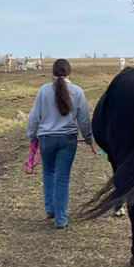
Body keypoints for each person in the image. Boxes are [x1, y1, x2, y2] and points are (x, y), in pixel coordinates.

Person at [27, 58, 93, 229]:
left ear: (53, 73)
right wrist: (88, 137)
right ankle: (61, 219)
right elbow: (84, 119)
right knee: (62, 178)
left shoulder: (43, 90)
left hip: (46, 139)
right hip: (67, 140)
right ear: (69, 73)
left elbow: (34, 117)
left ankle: (50, 209)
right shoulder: (77, 91)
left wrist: (32, 135)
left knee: (48, 172)